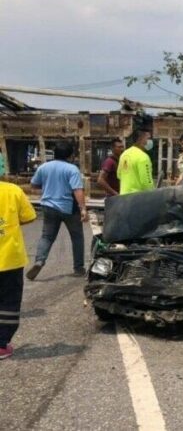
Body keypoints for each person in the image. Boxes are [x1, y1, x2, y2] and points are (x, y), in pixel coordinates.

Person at [27, 141, 87, 280]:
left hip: (48, 207)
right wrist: (83, 208)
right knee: (77, 237)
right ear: (71, 155)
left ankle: (39, 261)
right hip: (68, 208)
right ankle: (78, 268)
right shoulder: (72, 169)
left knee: (47, 237)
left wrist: (48, 184)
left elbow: (34, 184)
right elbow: (77, 189)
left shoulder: (44, 167)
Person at [0, 171, 37, 359]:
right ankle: (1, 344)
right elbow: (29, 217)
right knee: (8, 301)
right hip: (9, 259)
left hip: (11, 259)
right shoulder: (13, 191)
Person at [118, 129, 155, 195]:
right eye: (148, 138)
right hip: (136, 199)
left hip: (123, 198)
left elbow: (119, 175)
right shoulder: (143, 157)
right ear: (141, 139)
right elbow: (146, 183)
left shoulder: (124, 154)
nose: (150, 141)